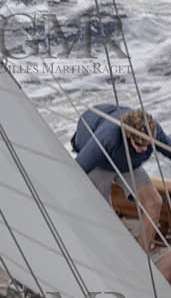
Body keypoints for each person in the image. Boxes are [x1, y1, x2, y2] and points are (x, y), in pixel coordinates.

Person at [73, 103, 171, 279]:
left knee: (154, 203)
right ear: (127, 135)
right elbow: (75, 170)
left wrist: (144, 145)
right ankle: (110, 268)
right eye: (139, 145)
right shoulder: (106, 138)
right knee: (103, 214)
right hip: (101, 161)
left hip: (127, 163)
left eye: (148, 145)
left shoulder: (153, 132)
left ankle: (138, 262)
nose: (144, 149)